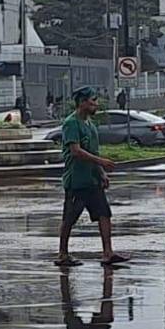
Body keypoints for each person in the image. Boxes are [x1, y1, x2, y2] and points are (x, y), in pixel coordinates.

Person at [57, 87, 124, 267]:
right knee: (70, 218)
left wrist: (101, 173)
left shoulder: (91, 126)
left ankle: (108, 253)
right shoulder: (72, 123)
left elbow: (93, 151)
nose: (96, 104)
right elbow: (76, 151)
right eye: (92, 100)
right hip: (76, 181)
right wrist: (101, 162)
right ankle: (63, 254)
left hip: (92, 180)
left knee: (104, 214)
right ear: (82, 102)